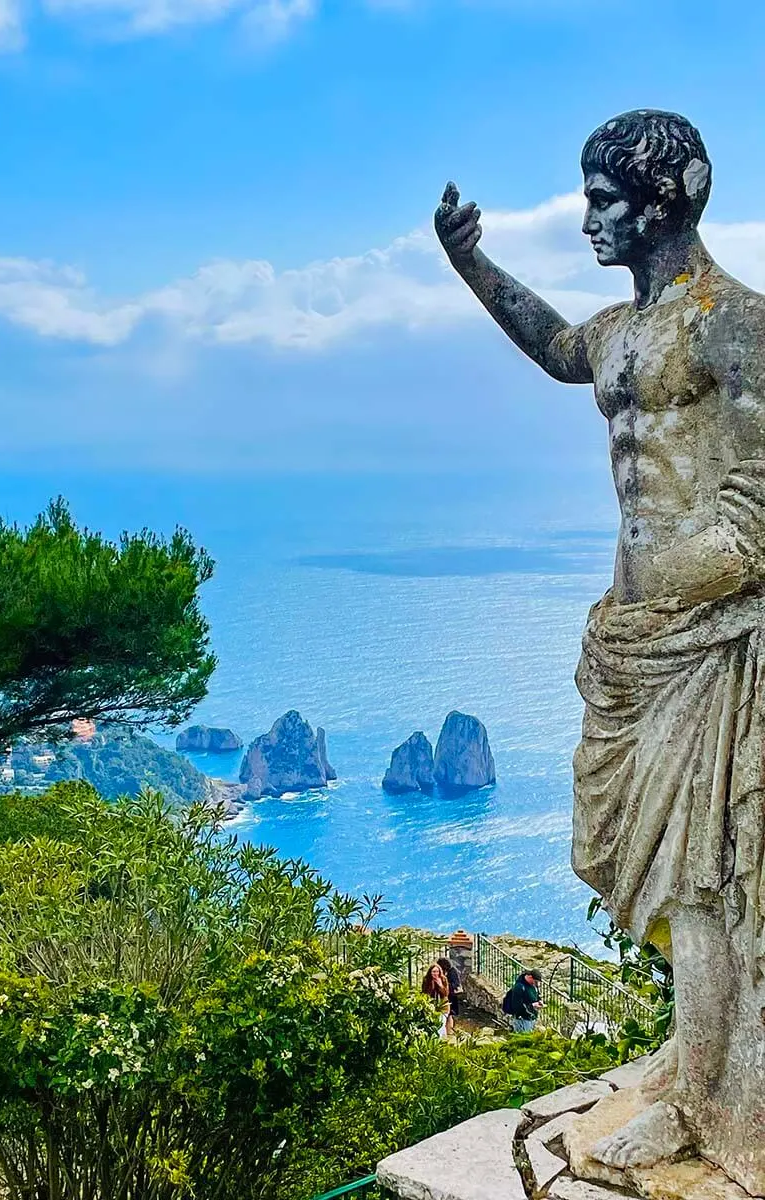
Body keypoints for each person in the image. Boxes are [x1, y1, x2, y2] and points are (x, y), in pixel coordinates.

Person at [434, 109, 765, 1191]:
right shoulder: (619, 335)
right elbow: (552, 349)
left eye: (602, 199)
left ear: (669, 197)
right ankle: (693, 1059)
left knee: (709, 869)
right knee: (672, 875)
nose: (586, 220)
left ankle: (708, 1102)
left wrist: (669, 590)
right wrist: (471, 265)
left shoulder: (733, 326)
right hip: (631, 643)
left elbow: (758, 509)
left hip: (709, 641)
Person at [507, 969, 543, 1033]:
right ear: (530, 977)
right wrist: (532, 1005)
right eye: (535, 981)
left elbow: (536, 995)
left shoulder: (533, 986)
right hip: (522, 1019)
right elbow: (517, 1006)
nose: (536, 984)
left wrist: (539, 1001)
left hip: (531, 1017)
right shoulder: (519, 987)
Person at [421, 963, 450, 1039]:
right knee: (435, 1024)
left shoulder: (443, 979)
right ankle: (442, 1040)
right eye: (433, 972)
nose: (435, 974)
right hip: (432, 1006)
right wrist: (432, 985)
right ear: (430, 972)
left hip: (443, 1006)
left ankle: (440, 1040)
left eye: (437, 972)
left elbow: (446, 993)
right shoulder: (426, 980)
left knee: (441, 1023)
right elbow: (425, 993)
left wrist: (440, 985)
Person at [437, 957, 463, 1036]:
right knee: (446, 1015)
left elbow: (455, 984)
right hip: (445, 996)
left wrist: (445, 985)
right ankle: (447, 1032)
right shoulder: (441, 972)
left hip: (451, 996)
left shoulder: (452, 971)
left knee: (450, 1014)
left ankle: (449, 1032)